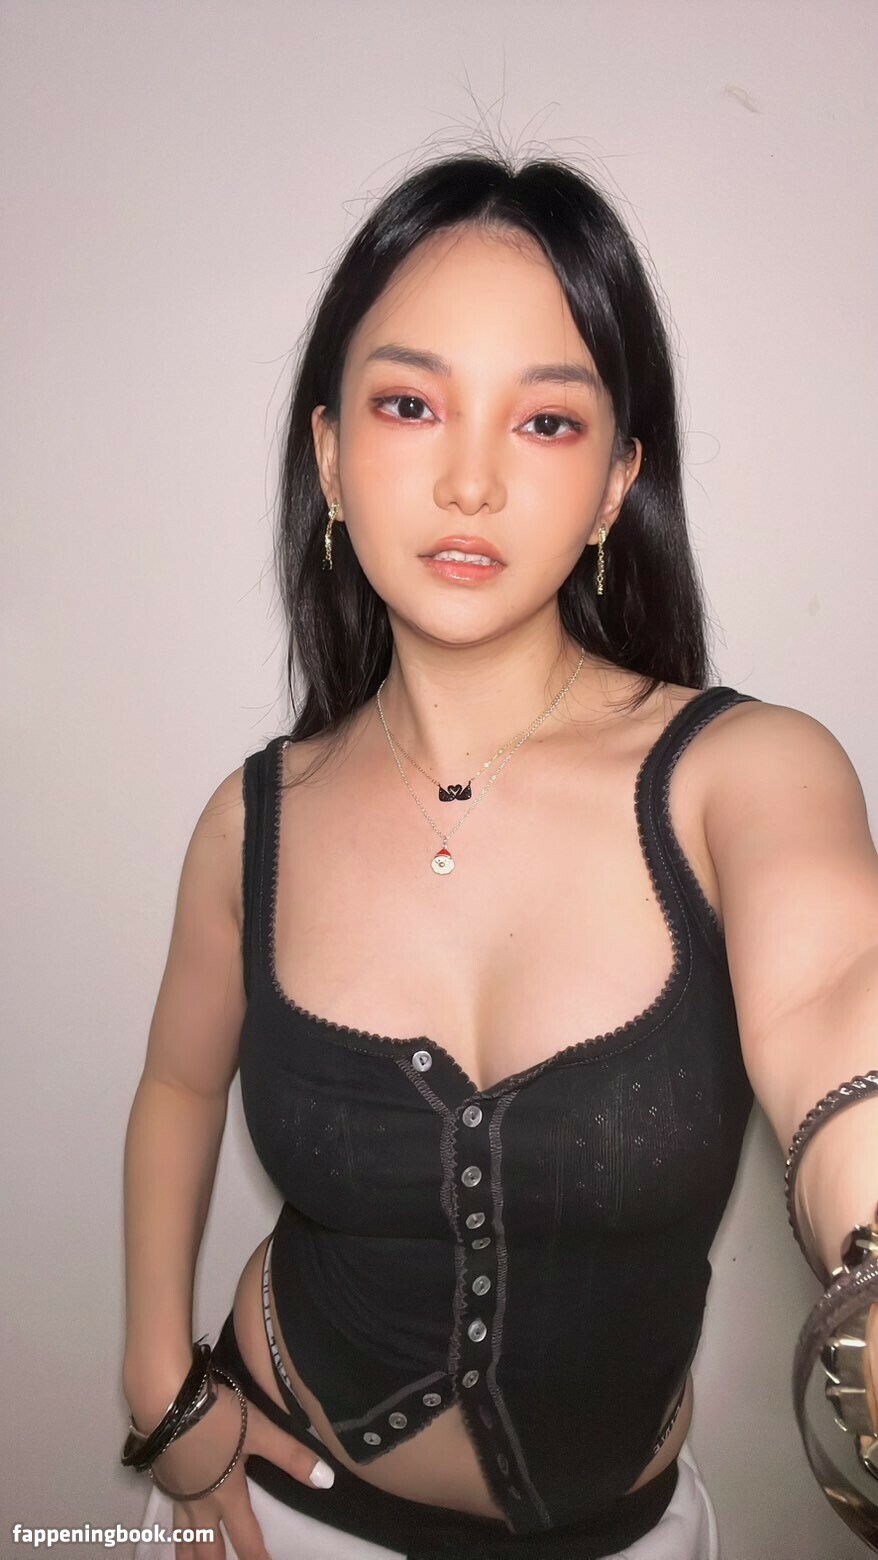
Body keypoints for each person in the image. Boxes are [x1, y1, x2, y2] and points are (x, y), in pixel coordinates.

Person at [121, 148, 878, 1560]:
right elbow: (175, 1086)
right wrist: (159, 1383)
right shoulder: (248, 820)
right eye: (410, 404)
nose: (469, 479)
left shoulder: (745, 775)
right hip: (284, 1514)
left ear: (615, 482)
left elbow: (841, 1000)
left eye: (545, 421)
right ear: (329, 454)